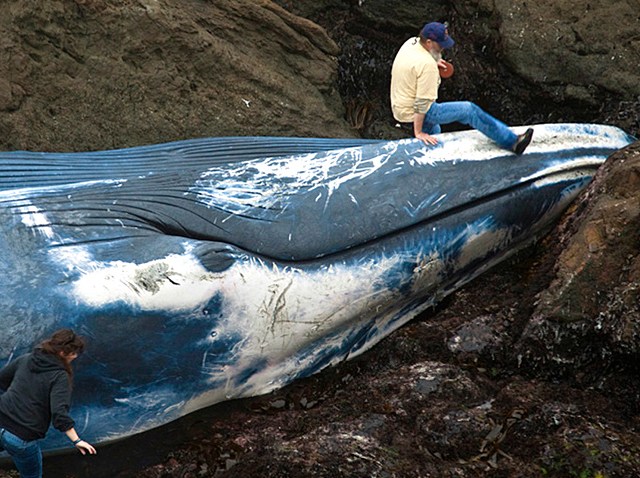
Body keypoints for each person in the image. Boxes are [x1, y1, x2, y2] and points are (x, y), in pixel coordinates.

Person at [390, 21, 533, 154]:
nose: (444, 47)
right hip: (414, 111)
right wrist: (418, 132)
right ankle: (512, 142)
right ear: (429, 42)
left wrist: (435, 59)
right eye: (440, 45)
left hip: (399, 104)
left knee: (435, 130)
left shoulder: (412, 43)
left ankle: (433, 155)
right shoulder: (427, 66)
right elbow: (421, 104)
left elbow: (415, 66)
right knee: (469, 110)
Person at [0, 329, 96, 478]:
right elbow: (59, 413)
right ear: (63, 353)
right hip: (21, 436)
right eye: (74, 353)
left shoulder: (26, 358)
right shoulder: (60, 376)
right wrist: (77, 440)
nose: (75, 356)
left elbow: (2, 380)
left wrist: (17, 398)